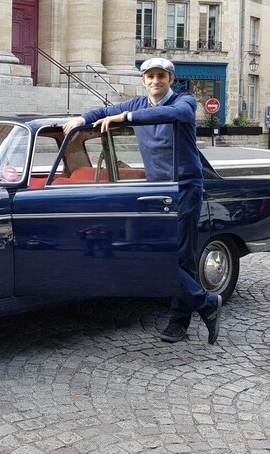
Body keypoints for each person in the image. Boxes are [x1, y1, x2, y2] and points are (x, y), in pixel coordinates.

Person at [62, 57, 222, 344]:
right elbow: (105, 110)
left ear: (171, 79)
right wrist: (83, 119)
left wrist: (126, 119)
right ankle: (205, 303)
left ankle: (179, 321)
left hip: (184, 185)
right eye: (150, 76)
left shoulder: (184, 101)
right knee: (155, 253)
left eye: (161, 76)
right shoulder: (137, 104)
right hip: (157, 189)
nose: (155, 81)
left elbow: (178, 116)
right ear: (144, 80)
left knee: (182, 255)